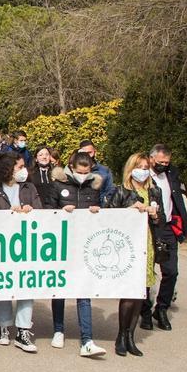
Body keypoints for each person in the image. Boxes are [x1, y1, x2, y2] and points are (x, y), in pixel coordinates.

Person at [44, 151, 107, 357]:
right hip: (62, 246)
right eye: (79, 172)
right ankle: (58, 330)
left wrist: (97, 210)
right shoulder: (58, 185)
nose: (83, 175)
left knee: (84, 291)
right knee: (60, 290)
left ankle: (87, 339)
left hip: (85, 246)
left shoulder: (93, 187)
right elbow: (46, 210)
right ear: (71, 168)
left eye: (86, 172)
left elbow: (101, 214)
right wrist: (60, 213)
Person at [0, 153, 42, 353]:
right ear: (7, 169)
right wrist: (8, 215)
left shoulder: (29, 188)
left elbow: (41, 210)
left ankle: (24, 329)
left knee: (26, 285)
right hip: (2, 246)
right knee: (3, 284)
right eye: (19, 167)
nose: (24, 170)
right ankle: (4, 325)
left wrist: (31, 210)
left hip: (26, 244)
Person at [104, 153, 165, 357]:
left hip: (148, 243)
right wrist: (130, 210)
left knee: (141, 292)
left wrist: (155, 215)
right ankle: (121, 335)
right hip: (127, 246)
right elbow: (109, 216)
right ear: (131, 169)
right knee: (129, 292)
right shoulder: (122, 191)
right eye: (139, 166)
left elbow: (162, 219)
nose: (143, 170)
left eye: (146, 167)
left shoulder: (154, 191)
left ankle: (131, 335)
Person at [143, 144, 187, 331]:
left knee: (171, 271)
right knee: (146, 271)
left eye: (166, 162)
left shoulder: (171, 174)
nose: (163, 165)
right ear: (152, 159)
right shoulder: (142, 174)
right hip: (148, 226)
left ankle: (161, 308)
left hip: (168, 227)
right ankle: (144, 310)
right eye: (160, 162)